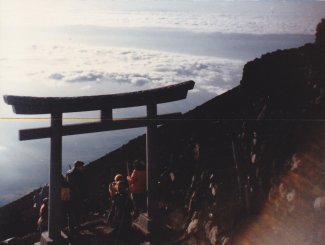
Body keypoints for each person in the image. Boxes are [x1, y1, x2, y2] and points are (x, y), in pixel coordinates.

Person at [66, 160, 87, 232]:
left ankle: (72, 228)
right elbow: (77, 186)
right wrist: (81, 195)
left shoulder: (69, 173)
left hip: (71, 196)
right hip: (76, 196)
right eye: (82, 166)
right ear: (78, 166)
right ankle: (75, 227)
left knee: (72, 213)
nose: (83, 167)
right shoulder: (77, 174)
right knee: (76, 212)